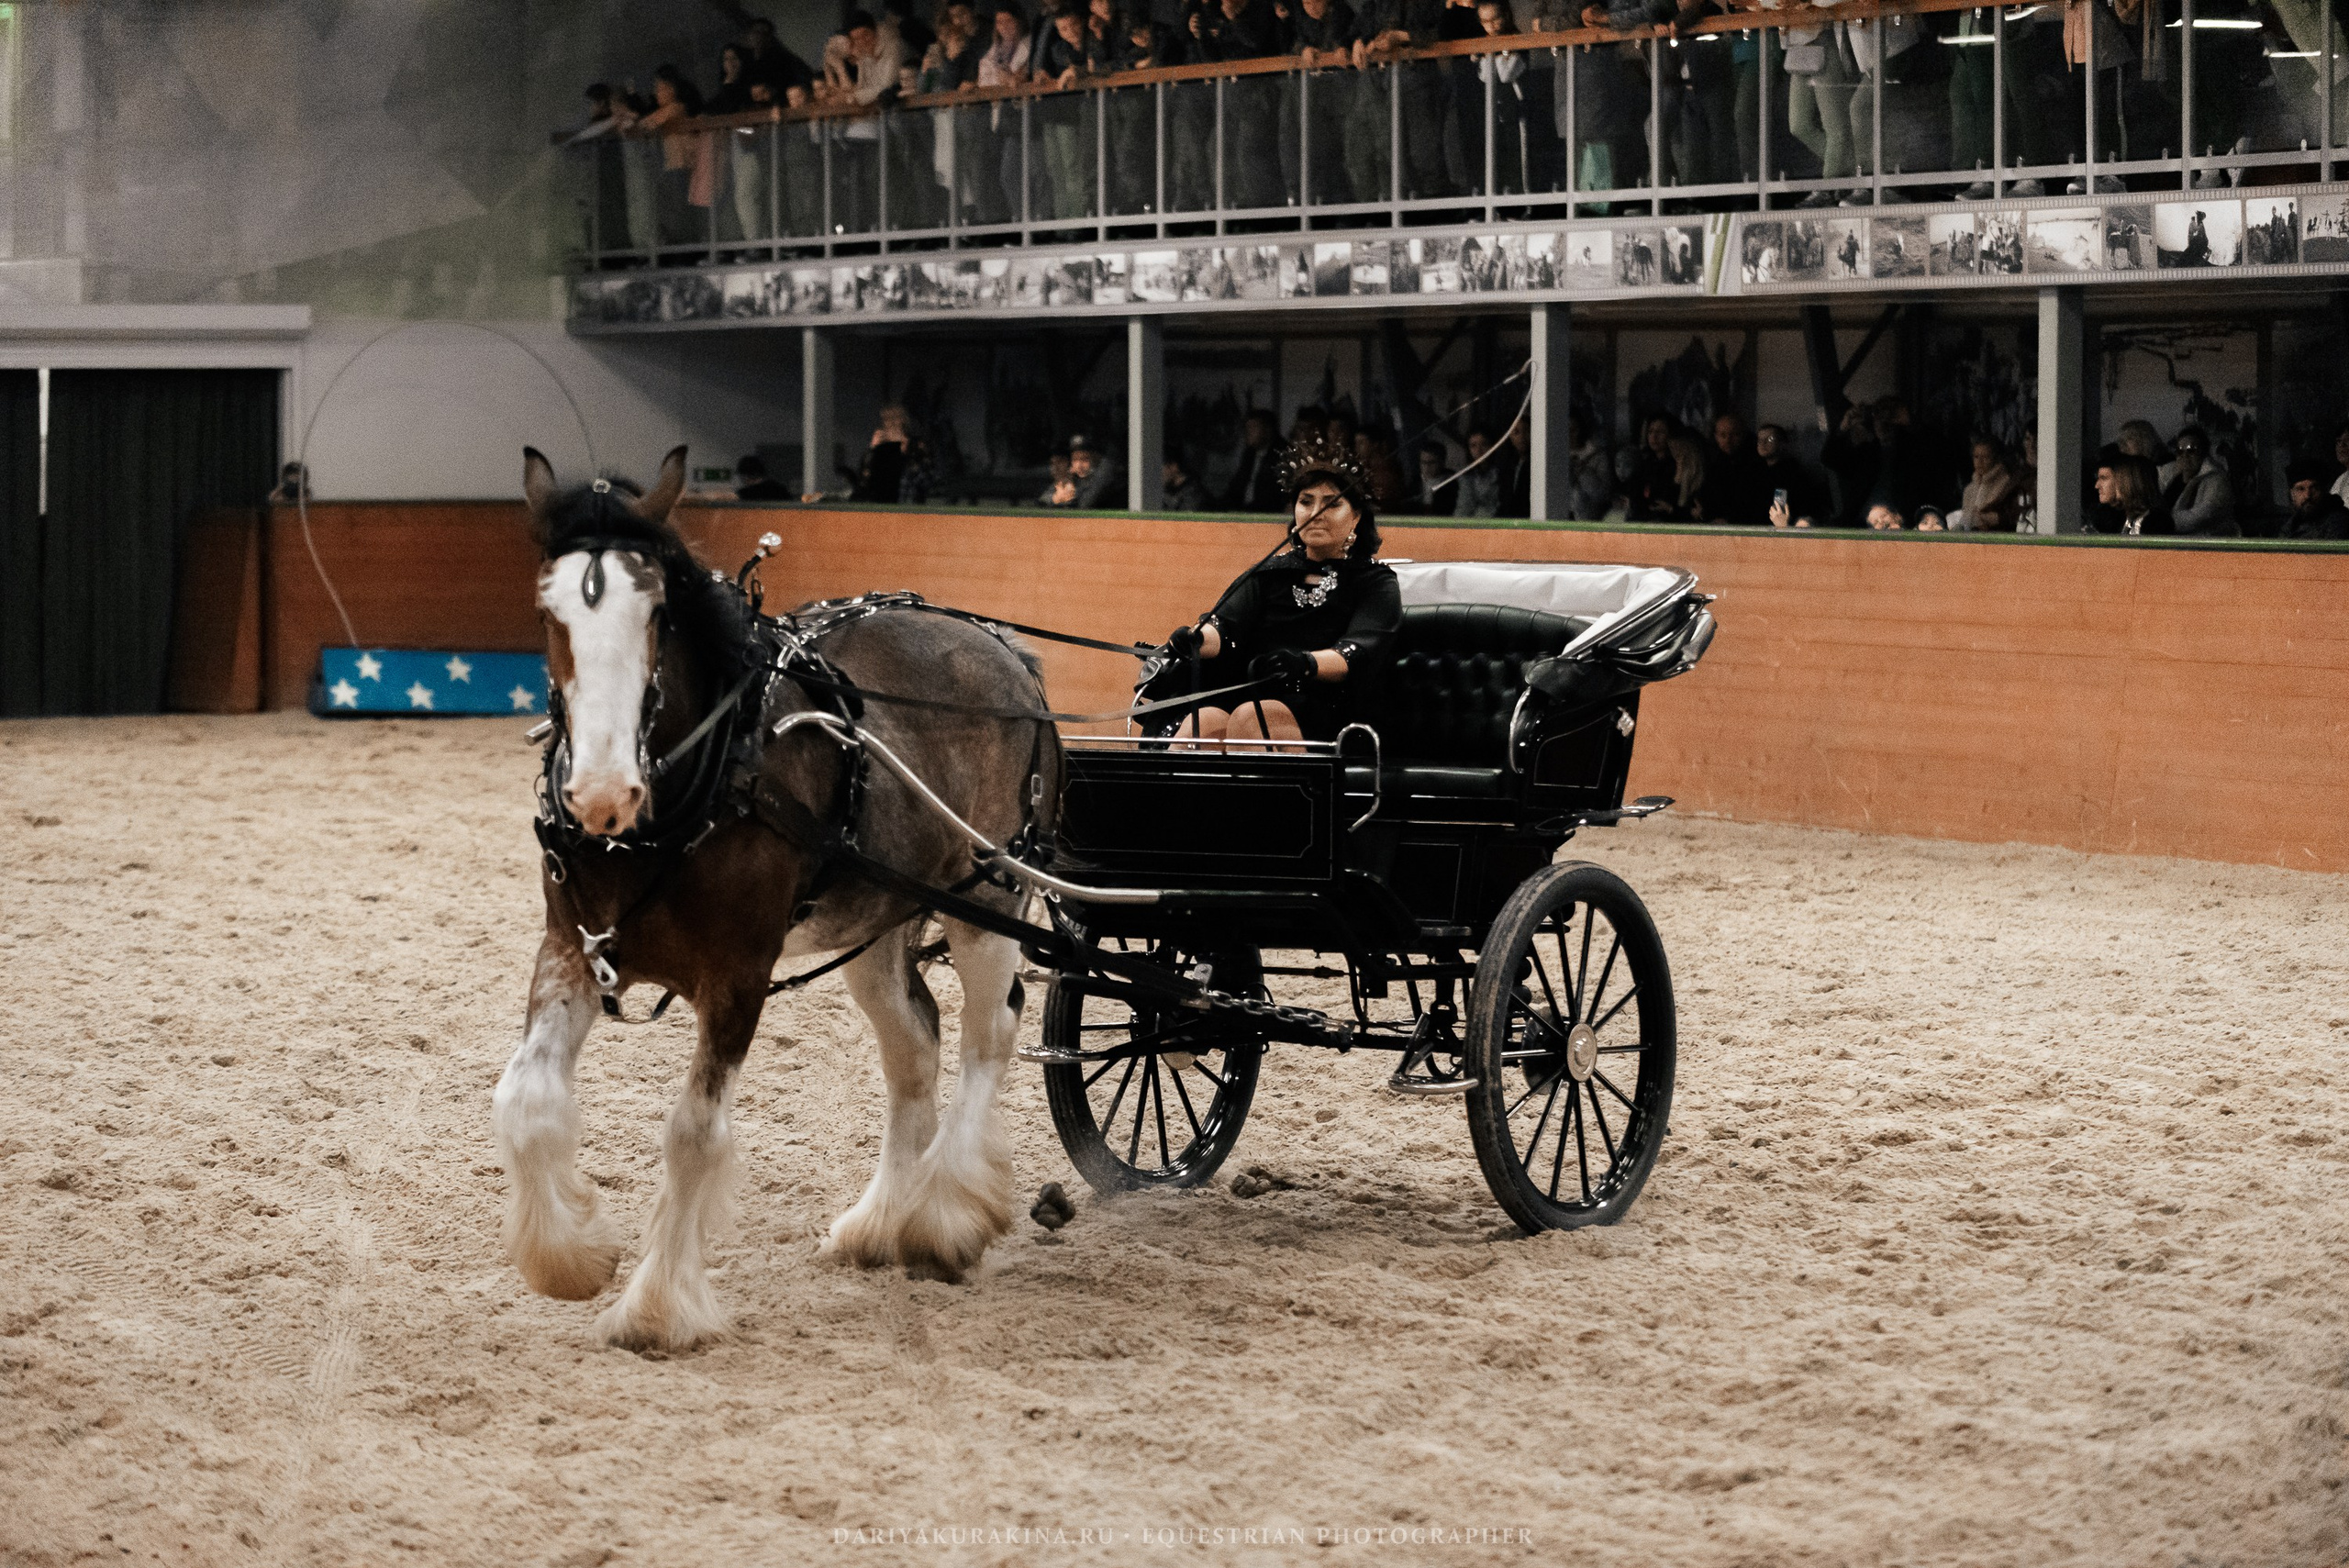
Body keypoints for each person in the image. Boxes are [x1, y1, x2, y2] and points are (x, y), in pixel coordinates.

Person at [1161, 437, 1401, 745]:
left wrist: (1304, 663)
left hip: (1334, 707)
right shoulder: (1270, 573)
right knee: (1204, 720)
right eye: (1306, 501)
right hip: (1257, 698)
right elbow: (1223, 627)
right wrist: (1194, 640)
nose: (1317, 513)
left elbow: (1357, 654)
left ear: (1356, 517)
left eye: (1332, 503)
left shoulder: (1375, 583)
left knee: (1255, 715)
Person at [2163, 427, 2240, 537]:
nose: (2185, 456)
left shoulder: (2217, 481)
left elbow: (2203, 515)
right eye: (2180, 451)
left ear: (2203, 452)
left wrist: (2160, 523)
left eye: (2191, 450)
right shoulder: (2170, 475)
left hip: (2207, 547)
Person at [1755, 424, 1830, 528]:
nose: (1763, 444)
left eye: (1770, 439)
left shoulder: (1792, 473)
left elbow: (1787, 508)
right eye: (1759, 440)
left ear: (1782, 443)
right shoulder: (1756, 472)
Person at [1699, 413, 1766, 526]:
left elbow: (1756, 502)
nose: (1728, 440)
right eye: (1723, 435)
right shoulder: (1713, 462)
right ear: (1716, 436)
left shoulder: (1757, 464)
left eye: (1734, 435)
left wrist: (1731, 520)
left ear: (1743, 435)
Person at [2090, 455, 2172, 536]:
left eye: (2120, 479)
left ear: (2131, 483)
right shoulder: (2121, 517)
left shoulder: (2157, 521)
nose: (2096, 486)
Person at [1222, 410, 1286, 511]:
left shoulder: (1281, 455)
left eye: (1253, 427)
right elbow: (1237, 486)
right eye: (1247, 428)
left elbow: (1271, 497)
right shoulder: (1249, 455)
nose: (1248, 432)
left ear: (1267, 430)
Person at [1958, 437, 2021, 532]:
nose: (1980, 461)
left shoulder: (2006, 485)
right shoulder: (1969, 489)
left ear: (1995, 458)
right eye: (1976, 457)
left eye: (1986, 457)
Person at [2282, 458, 2349, 541]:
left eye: (2314, 488)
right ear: (2292, 494)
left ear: (2323, 491)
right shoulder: (2291, 525)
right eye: (2301, 489)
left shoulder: (2338, 523)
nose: (2307, 495)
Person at [1451, 429, 1505, 517]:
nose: (1478, 450)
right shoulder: (1465, 476)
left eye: (1484, 444)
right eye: (1473, 446)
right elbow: (1463, 508)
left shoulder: (1503, 474)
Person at [1065, 434, 1120, 507]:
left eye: (1085, 459)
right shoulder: (1072, 478)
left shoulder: (1102, 476)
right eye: (1075, 460)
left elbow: (1085, 504)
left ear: (1095, 458)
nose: (1079, 465)